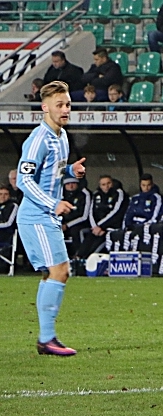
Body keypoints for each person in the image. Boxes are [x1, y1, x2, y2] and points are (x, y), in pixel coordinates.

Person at [15, 81, 86, 356]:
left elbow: (52, 171)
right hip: (36, 215)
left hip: (46, 216)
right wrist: (52, 202)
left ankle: (47, 338)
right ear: (45, 107)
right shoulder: (38, 139)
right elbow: (24, 180)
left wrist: (71, 171)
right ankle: (47, 339)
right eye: (60, 105)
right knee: (60, 271)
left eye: (68, 104)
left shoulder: (62, 136)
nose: (65, 109)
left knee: (54, 273)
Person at [76, 175, 127, 258]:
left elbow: (116, 212)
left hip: (111, 227)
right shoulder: (96, 195)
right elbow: (91, 212)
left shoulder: (119, 193)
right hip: (97, 228)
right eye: (103, 184)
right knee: (89, 237)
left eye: (108, 183)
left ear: (112, 183)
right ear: (100, 185)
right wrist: (95, 226)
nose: (106, 186)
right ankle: (79, 258)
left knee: (99, 240)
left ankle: (89, 259)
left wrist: (100, 226)